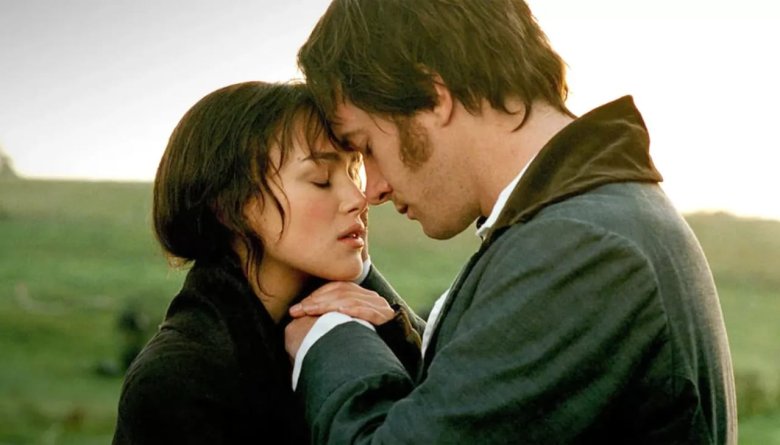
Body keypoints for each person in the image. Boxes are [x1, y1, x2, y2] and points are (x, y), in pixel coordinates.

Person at [284, 0, 738, 443]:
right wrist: (396, 334)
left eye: (366, 146)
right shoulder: (594, 216)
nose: (372, 190)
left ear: (433, 96)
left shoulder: (581, 246)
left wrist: (329, 337)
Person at [111, 81, 423, 444]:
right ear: (231, 205)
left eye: (354, 173)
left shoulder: (344, 318)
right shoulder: (179, 381)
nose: (358, 198)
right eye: (322, 179)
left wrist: (393, 327)